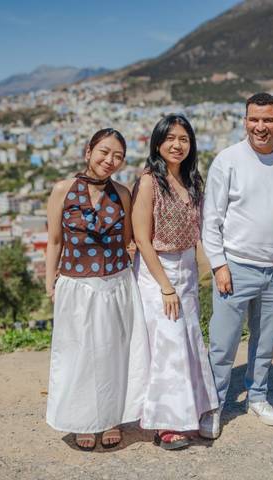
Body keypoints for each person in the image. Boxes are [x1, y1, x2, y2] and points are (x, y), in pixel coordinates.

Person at [200, 93, 273, 438]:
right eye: (254, 119)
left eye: (267, 120)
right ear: (245, 121)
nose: (261, 126)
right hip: (236, 266)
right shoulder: (227, 160)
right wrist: (218, 265)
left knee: (264, 342)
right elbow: (210, 219)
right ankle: (213, 406)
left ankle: (257, 396)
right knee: (223, 343)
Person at [45, 128, 149, 451]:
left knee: (113, 352)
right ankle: (82, 420)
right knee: (78, 353)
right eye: (104, 152)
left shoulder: (122, 193)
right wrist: (51, 283)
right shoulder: (63, 190)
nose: (110, 160)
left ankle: (111, 417)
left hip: (116, 282)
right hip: (76, 285)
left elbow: (128, 240)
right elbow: (54, 241)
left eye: (117, 156)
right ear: (88, 150)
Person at [132, 114, 219, 450]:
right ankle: (165, 421)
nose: (177, 145)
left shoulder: (193, 181)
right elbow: (142, 238)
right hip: (158, 272)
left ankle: (189, 412)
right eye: (170, 138)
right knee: (167, 345)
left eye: (184, 139)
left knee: (187, 342)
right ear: (158, 143)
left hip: (185, 270)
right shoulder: (149, 182)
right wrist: (166, 286)